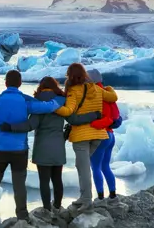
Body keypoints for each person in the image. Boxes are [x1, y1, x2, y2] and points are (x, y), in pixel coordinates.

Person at [0, 77, 100, 219]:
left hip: (42, 148)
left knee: (44, 180)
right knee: (57, 179)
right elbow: (75, 119)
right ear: (55, 87)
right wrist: (94, 115)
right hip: (58, 146)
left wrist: (10, 127)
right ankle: (57, 207)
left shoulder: (38, 103)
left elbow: (29, 125)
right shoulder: (60, 102)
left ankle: (47, 209)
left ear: (41, 87)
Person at [0, 70, 63, 227]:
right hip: (19, 150)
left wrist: (1, 122)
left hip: (0, 149)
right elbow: (47, 107)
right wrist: (60, 99)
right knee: (19, 185)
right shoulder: (25, 100)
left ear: (6, 83)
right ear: (20, 83)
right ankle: (22, 218)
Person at [54, 63, 118, 213]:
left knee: (84, 170)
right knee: (81, 166)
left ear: (70, 75)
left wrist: (53, 107)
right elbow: (113, 97)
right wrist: (108, 88)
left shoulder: (73, 91)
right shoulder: (96, 88)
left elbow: (69, 110)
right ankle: (84, 197)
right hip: (99, 135)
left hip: (82, 136)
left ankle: (87, 201)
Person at [87, 69, 121, 206]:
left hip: (100, 135)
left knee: (95, 167)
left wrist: (92, 124)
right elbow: (116, 116)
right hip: (111, 135)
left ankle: (100, 197)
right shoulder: (109, 95)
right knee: (105, 166)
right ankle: (112, 194)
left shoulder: (93, 94)